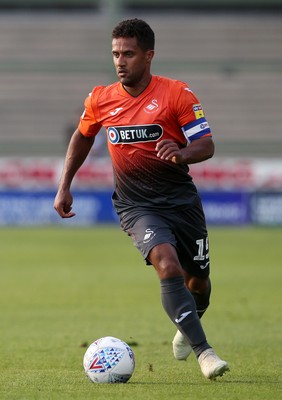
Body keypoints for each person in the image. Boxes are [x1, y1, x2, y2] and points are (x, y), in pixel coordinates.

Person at [54, 18, 229, 380]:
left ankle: (187, 325)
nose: (120, 61)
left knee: (199, 283)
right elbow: (83, 136)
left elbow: (206, 145)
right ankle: (205, 353)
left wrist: (182, 152)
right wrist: (65, 183)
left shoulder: (178, 94)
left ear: (148, 56)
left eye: (128, 54)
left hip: (181, 202)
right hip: (137, 205)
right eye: (115, 54)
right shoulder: (101, 98)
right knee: (167, 265)